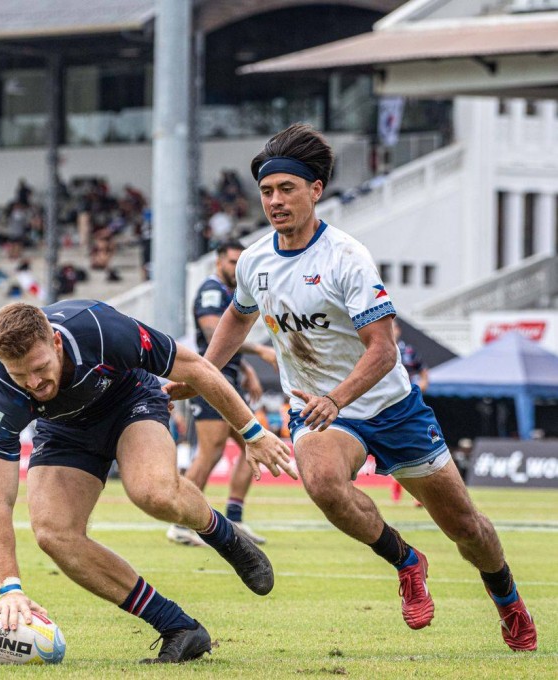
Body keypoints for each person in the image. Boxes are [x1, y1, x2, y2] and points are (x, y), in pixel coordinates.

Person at [178, 123, 536, 652]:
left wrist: (337, 397)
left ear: (315, 190)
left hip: (391, 407)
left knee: (466, 528)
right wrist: (202, 373)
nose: (275, 201)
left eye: (286, 189)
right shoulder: (254, 261)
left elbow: (384, 349)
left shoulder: (347, 257)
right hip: (319, 411)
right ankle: (406, 561)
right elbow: (237, 317)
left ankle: (507, 598)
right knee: (322, 482)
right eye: (267, 191)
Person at [0, 301, 295, 664]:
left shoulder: (99, 328)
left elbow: (196, 367)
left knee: (153, 493)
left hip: (130, 402)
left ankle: (224, 536)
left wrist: (253, 433)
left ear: (56, 343)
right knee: (53, 533)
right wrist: (10, 589)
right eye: (21, 375)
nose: (34, 384)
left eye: (40, 368)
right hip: (65, 430)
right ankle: (178, 626)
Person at [167, 240, 279, 548]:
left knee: (255, 443)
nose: (236, 267)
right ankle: (181, 522)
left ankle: (235, 517)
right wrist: (260, 351)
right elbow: (215, 334)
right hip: (210, 380)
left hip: (228, 379)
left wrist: (247, 370)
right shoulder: (211, 291)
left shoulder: (230, 293)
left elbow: (228, 345)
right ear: (218, 262)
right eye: (232, 261)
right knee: (211, 451)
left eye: (240, 262)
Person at [391, 320, 429, 503]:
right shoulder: (375, 349)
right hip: (389, 407)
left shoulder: (408, 351)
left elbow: (424, 374)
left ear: (398, 330)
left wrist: (418, 390)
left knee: (415, 446)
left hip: (409, 406)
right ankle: (398, 489)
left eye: (392, 327)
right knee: (397, 449)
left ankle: (418, 494)